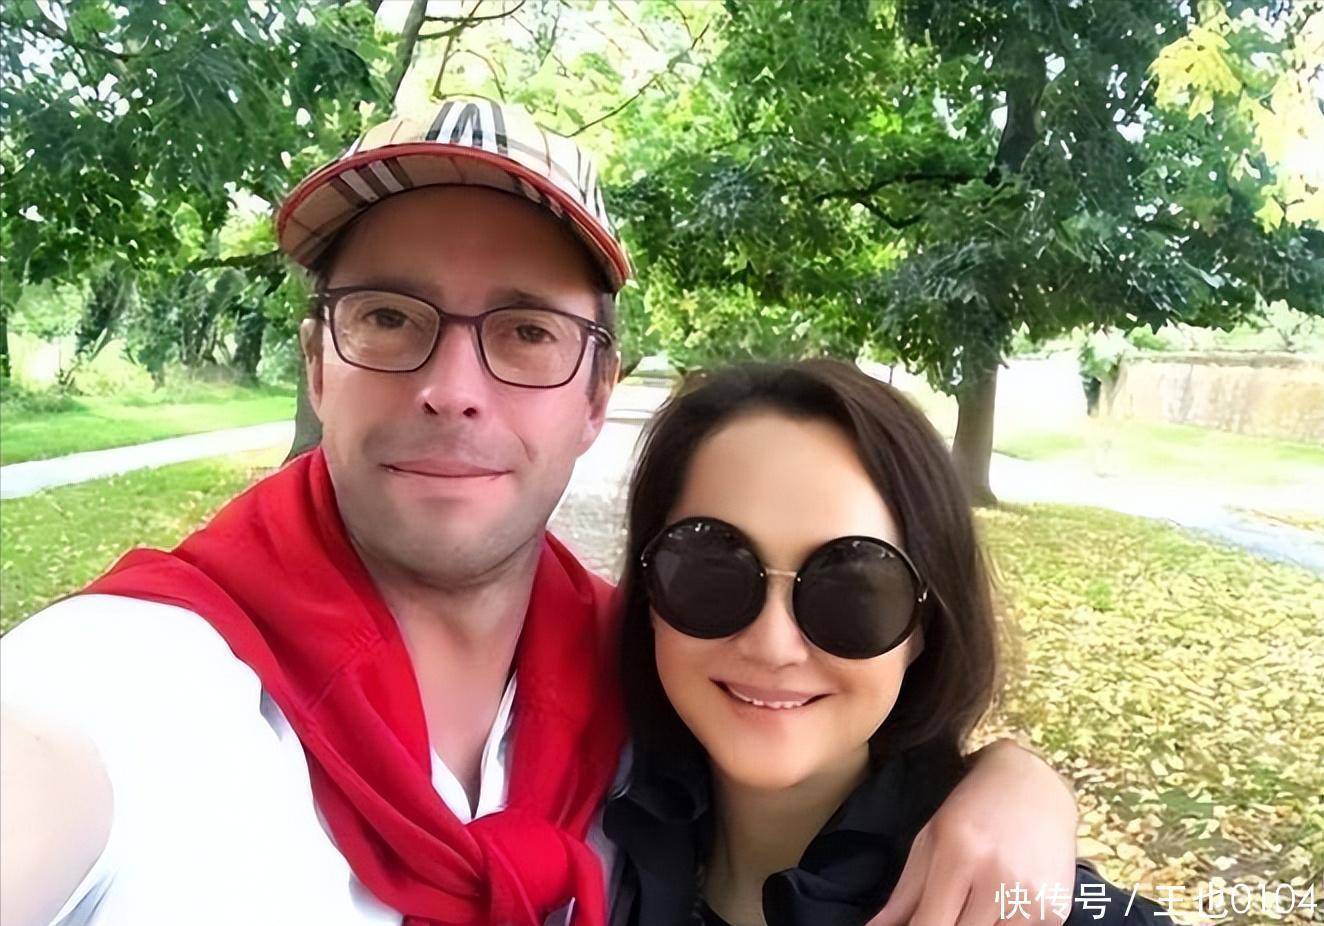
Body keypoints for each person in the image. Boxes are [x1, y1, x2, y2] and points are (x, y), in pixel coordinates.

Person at [1, 98, 1077, 926]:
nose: (451, 388)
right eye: (388, 316)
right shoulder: (133, 683)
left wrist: (1014, 784)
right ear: (318, 363)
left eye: (525, 331)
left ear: (597, 394)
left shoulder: (650, 681)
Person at [604, 360, 1167, 926]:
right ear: (650, 595)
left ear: (924, 626)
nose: (773, 644)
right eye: (710, 571)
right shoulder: (592, 824)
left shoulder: (1027, 907)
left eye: (853, 589)